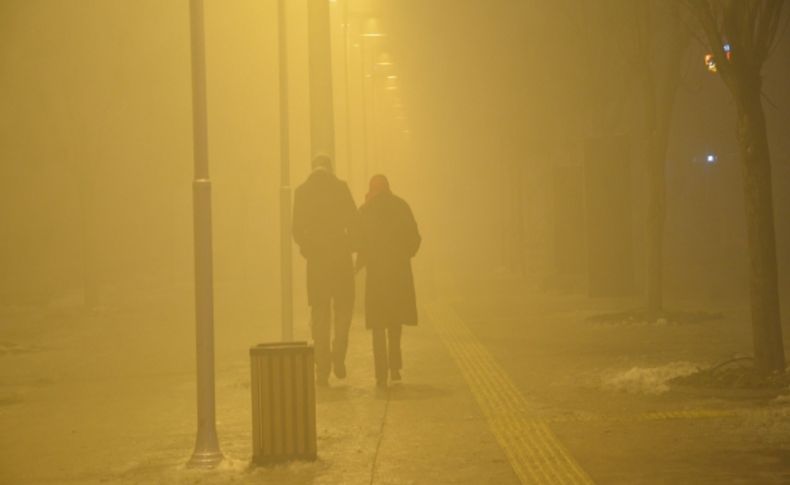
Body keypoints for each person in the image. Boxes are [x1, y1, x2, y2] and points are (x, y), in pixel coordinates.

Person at [293, 155, 357, 386]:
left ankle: (322, 368)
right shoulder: (341, 188)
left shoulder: (302, 191)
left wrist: (309, 249)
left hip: (317, 263)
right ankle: (338, 354)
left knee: (319, 315)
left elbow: (296, 229)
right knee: (343, 310)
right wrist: (350, 246)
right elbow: (354, 221)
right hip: (340, 258)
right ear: (330, 168)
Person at [356, 175, 421, 388]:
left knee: (377, 323)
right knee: (394, 321)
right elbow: (415, 238)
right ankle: (395, 367)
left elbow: (358, 242)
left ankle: (380, 373)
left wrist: (358, 266)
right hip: (398, 272)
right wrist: (405, 254)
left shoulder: (366, 210)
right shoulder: (401, 206)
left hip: (376, 275)